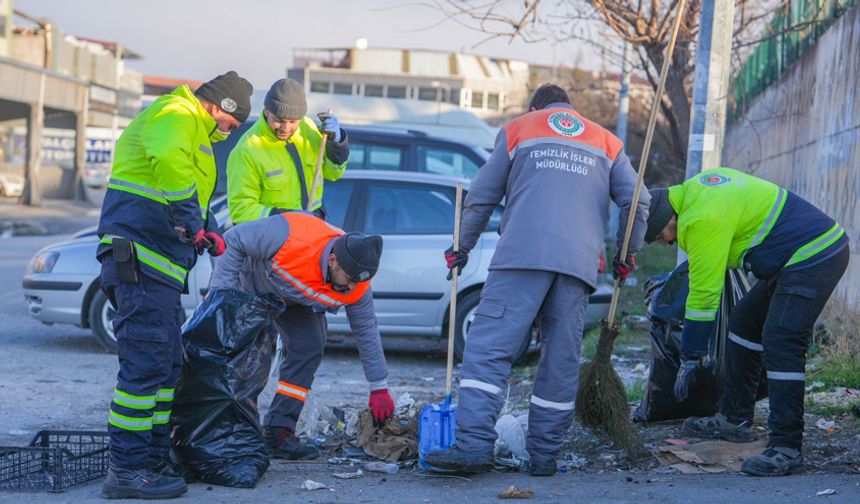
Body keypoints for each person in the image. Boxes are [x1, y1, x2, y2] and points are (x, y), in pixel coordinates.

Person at [424, 84, 650, 476]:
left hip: (522, 257)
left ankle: (474, 447)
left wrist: (461, 246)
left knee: (490, 349)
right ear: (570, 106)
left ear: (535, 107)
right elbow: (639, 202)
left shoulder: (519, 129)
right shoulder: (608, 142)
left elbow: (482, 196)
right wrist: (626, 255)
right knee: (560, 360)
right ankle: (545, 456)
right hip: (578, 265)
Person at [96, 71, 253, 499]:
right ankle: (126, 472)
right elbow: (168, 162)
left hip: (158, 268)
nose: (228, 133)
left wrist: (207, 225)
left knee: (167, 365)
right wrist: (188, 216)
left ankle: (153, 458)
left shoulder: (193, 131)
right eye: (231, 124)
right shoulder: (176, 113)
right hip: (139, 261)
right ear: (221, 107)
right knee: (145, 366)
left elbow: (188, 190)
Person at [644, 167, 849, 476]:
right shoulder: (698, 189)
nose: (662, 243)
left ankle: (786, 447)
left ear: (668, 220)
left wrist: (690, 357)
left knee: (782, 340)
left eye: (658, 236)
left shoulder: (701, 219)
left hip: (814, 254)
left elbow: (704, 294)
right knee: (743, 323)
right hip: (792, 257)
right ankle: (734, 419)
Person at [208, 211, 395, 460]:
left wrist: (378, 387)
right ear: (333, 260)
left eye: (358, 283)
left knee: (309, 346)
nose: (352, 288)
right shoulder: (289, 236)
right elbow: (234, 239)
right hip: (251, 283)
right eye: (349, 280)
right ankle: (231, 432)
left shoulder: (357, 285)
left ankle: (278, 430)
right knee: (248, 360)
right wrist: (223, 299)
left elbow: (367, 331)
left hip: (294, 298)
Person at [227, 78, 348, 223]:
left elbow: (334, 173)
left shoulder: (308, 128)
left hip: (313, 228)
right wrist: (289, 217)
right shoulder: (247, 149)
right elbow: (241, 210)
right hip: (275, 239)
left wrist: (336, 143)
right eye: (279, 120)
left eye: (293, 122)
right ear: (266, 111)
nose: (285, 128)